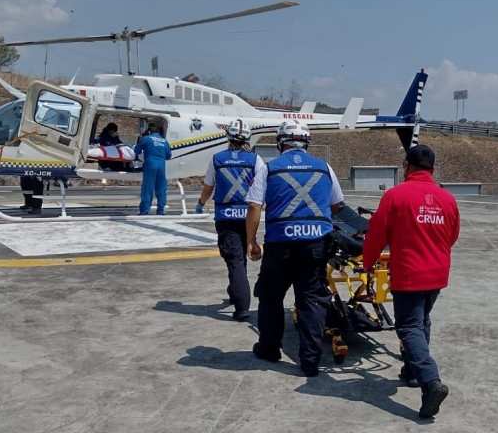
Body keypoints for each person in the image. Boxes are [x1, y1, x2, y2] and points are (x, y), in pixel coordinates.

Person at [362, 144, 460, 419]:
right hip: (437, 273)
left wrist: (367, 262)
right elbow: (452, 236)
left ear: (407, 165)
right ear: (432, 168)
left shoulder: (395, 196)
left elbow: (376, 235)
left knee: (409, 326)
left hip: (409, 273)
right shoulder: (447, 199)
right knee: (422, 321)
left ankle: (430, 382)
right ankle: (412, 371)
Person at [246, 120, 344, 377]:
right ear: (307, 142)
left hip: (280, 246)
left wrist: (251, 240)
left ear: (281, 143)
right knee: (311, 300)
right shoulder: (325, 168)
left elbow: (254, 206)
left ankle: (269, 349)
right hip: (315, 247)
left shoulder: (269, 169)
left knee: (270, 298)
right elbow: (336, 205)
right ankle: (310, 361)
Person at [195, 119, 265, 321]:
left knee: (234, 260)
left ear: (228, 137)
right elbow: (262, 187)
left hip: (226, 217)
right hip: (249, 217)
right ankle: (235, 292)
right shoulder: (256, 160)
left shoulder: (217, 159)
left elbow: (208, 187)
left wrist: (201, 203)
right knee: (239, 258)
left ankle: (242, 307)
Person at [134, 123, 172, 215]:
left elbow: (137, 150)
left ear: (149, 131)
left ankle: (144, 211)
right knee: (161, 188)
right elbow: (169, 155)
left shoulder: (146, 139)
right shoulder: (164, 141)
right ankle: (160, 210)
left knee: (148, 188)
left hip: (150, 164)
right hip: (161, 166)